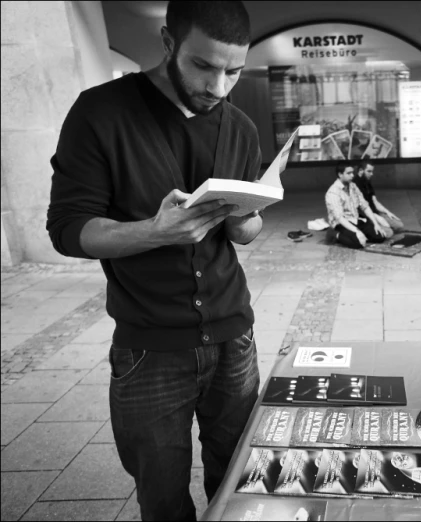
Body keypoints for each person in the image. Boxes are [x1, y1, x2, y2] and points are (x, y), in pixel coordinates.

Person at [46, 2, 264, 520]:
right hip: (149, 348)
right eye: (203, 66)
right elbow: (68, 229)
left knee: (239, 486)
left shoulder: (241, 127)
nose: (219, 86)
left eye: (234, 71)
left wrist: (243, 220)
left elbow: (250, 231)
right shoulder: (99, 113)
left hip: (235, 336)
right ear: (168, 43)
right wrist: (153, 232)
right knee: (162, 499)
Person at [325, 162, 385, 249]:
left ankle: (355, 234)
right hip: (341, 223)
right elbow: (339, 218)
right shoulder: (333, 192)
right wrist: (357, 231)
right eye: (348, 173)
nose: (352, 175)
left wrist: (376, 224)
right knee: (358, 243)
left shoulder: (353, 186)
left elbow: (365, 206)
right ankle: (334, 234)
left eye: (352, 172)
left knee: (380, 237)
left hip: (355, 219)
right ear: (340, 174)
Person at [353, 161, 405, 237]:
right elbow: (361, 209)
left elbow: (375, 201)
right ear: (361, 170)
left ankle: (382, 226)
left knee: (399, 226)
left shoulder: (367, 181)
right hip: (365, 216)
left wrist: (387, 212)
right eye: (369, 171)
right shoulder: (354, 185)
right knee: (389, 233)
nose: (372, 174)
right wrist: (376, 218)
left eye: (372, 171)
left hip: (375, 212)